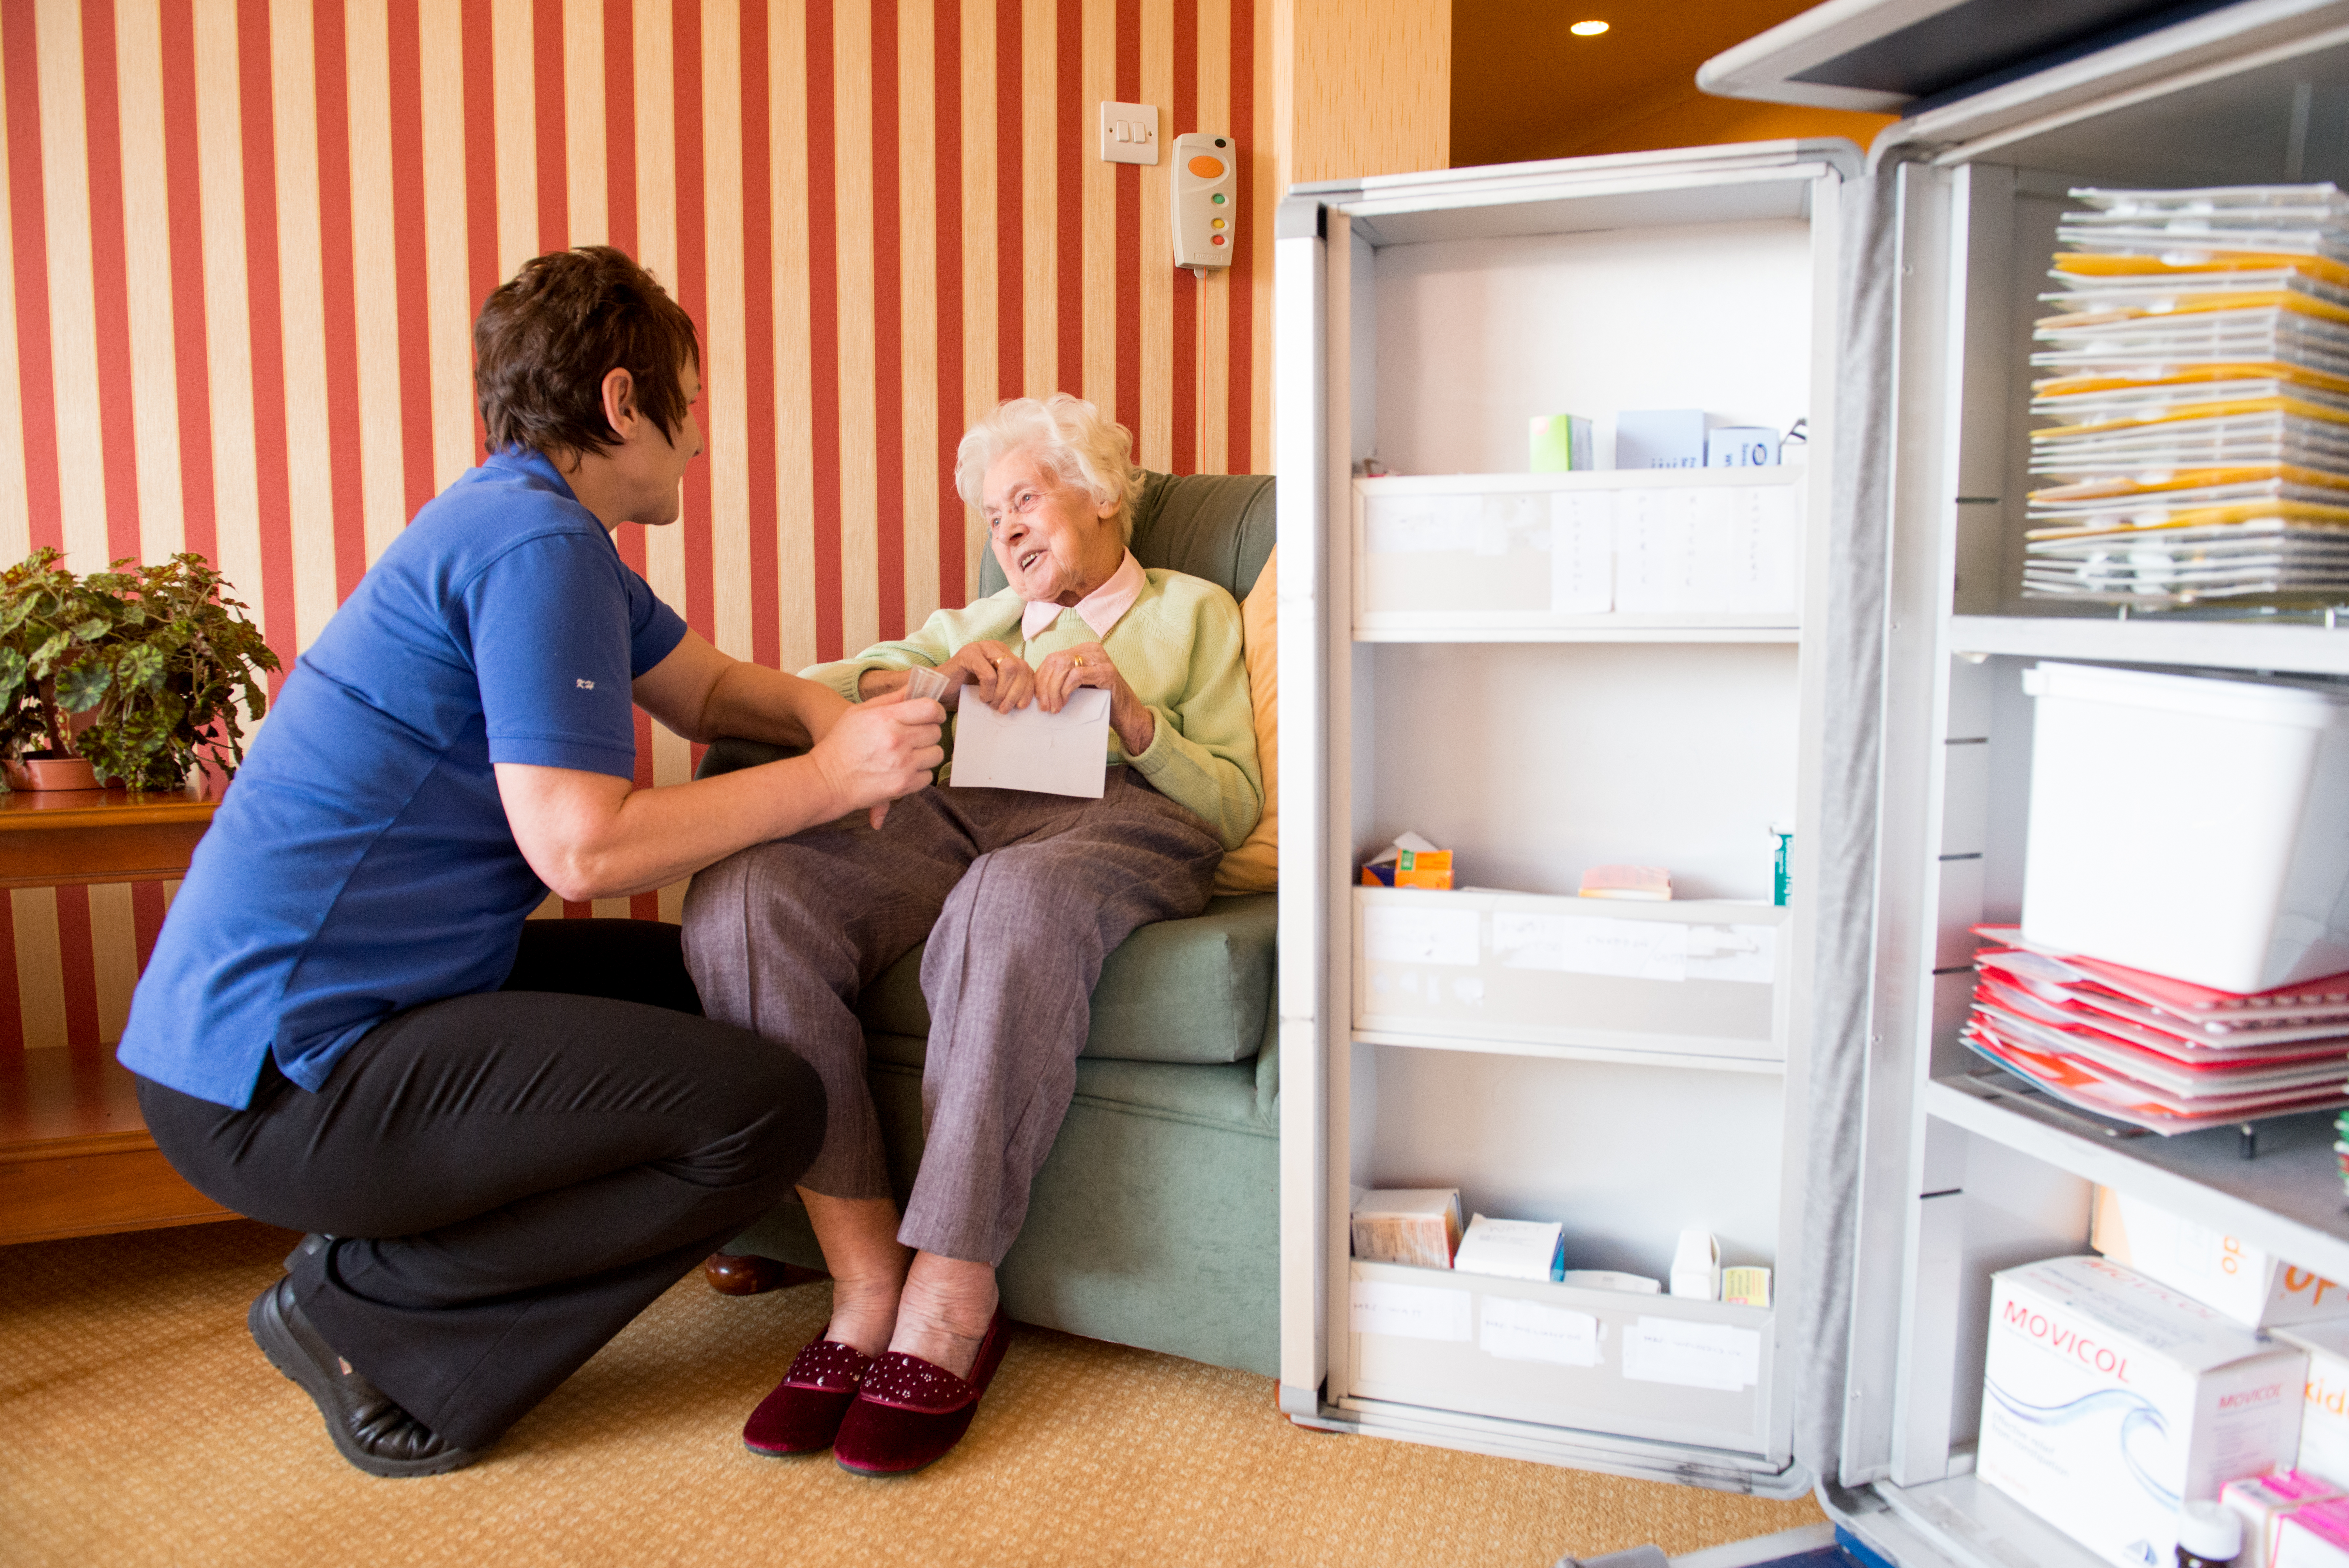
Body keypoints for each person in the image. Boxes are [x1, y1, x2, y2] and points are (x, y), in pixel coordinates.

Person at [116, 246, 944, 1478]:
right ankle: (365, 1314)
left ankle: (385, 1290)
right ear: (623, 401)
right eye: (691, 401)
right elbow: (581, 846)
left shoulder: (533, 531)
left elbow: (709, 688)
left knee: (716, 979)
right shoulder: (532, 549)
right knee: (759, 1110)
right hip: (280, 1084)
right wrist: (834, 781)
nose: (700, 439)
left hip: (329, 1029)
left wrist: (838, 716)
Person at [681, 392, 1261, 1476]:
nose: (1008, 534)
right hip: (960, 816)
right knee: (746, 901)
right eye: (994, 519)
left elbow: (1231, 804)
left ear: (1099, 496)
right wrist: (926, 680)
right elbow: (807, 693)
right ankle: (862, 1284)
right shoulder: (973, 625)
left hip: (1125, 819)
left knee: (1010, 898)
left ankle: (951, 1292)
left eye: (1026, 500)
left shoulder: (1195, 611)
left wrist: (1138, 716)